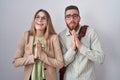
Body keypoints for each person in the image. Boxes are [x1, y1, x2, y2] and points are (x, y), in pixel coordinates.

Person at [13, 9, 64, 80]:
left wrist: (43, 57)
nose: (40, 20)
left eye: (43, 18)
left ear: (47, 22)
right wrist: (33, 57)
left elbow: (60, 63)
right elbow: (15, 62)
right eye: (37, 17)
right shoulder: (26, 35)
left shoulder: (54, 37)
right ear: (34, 20)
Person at [59, 5, 104, 80]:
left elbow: (100, 59)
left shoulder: (91, 33)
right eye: (68, 16)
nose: (72, 19)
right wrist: (72, 48)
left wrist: (81, 47)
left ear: (79, 18)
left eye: (75, 16)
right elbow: (61, 63)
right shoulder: (61, 36)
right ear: (65, 19)